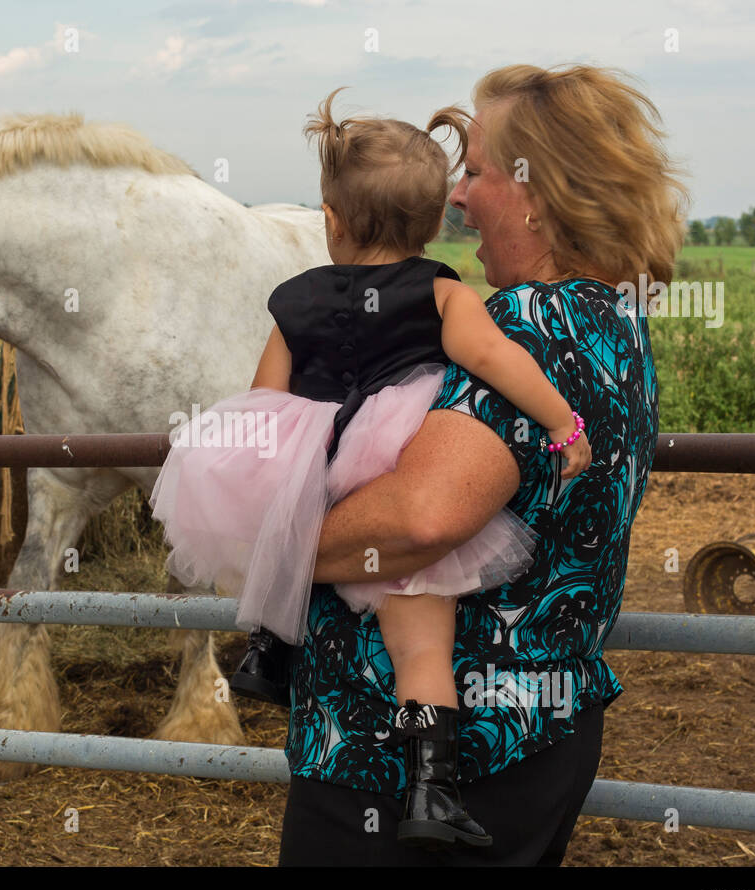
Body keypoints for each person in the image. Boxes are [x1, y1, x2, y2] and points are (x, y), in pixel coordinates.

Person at [148, 86, 592, 849]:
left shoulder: (294, 300)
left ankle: (267, 646)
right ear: (431, 223)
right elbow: (492, 358)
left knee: (292, 543)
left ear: (331, 221)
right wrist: (562, 421)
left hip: (314, 460)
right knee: (420, 643)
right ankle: (431, 786)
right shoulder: (443, 290)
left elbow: (263, 401)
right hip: (391, 461)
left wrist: (268, 478)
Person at [278, 64, 684, 866]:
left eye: (475, 172)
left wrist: (267, 546)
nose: (456, 198)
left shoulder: (528, 325)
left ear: (537, 192)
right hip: (537, 735)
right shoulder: (614, 321)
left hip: (405, 770)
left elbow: (418, 519)